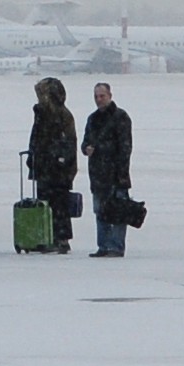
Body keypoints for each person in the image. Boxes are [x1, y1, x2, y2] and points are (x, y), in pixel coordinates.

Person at [25, 76, 80, 257]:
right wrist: (32, 156)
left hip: (57, 168)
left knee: (59, 203)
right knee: (46, 202)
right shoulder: (43, 114)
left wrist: (60, 160)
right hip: (44, 166)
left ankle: (61, 238)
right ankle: (48, 236)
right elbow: (36, 139)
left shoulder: (61, 115)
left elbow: (67, 143)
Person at [84, 80, 137, 257]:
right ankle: (104, 246)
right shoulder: (92, 119)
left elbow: (125, 147)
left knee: (118, 212)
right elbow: (85, 142)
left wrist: (120, 172)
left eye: (102, 96)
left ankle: (116, 246)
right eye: (96, 97)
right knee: (100, 211)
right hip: (97, 174)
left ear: (110, 96)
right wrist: (87, 149)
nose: (99, 100)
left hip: (115, 173)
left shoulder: (121, 117)